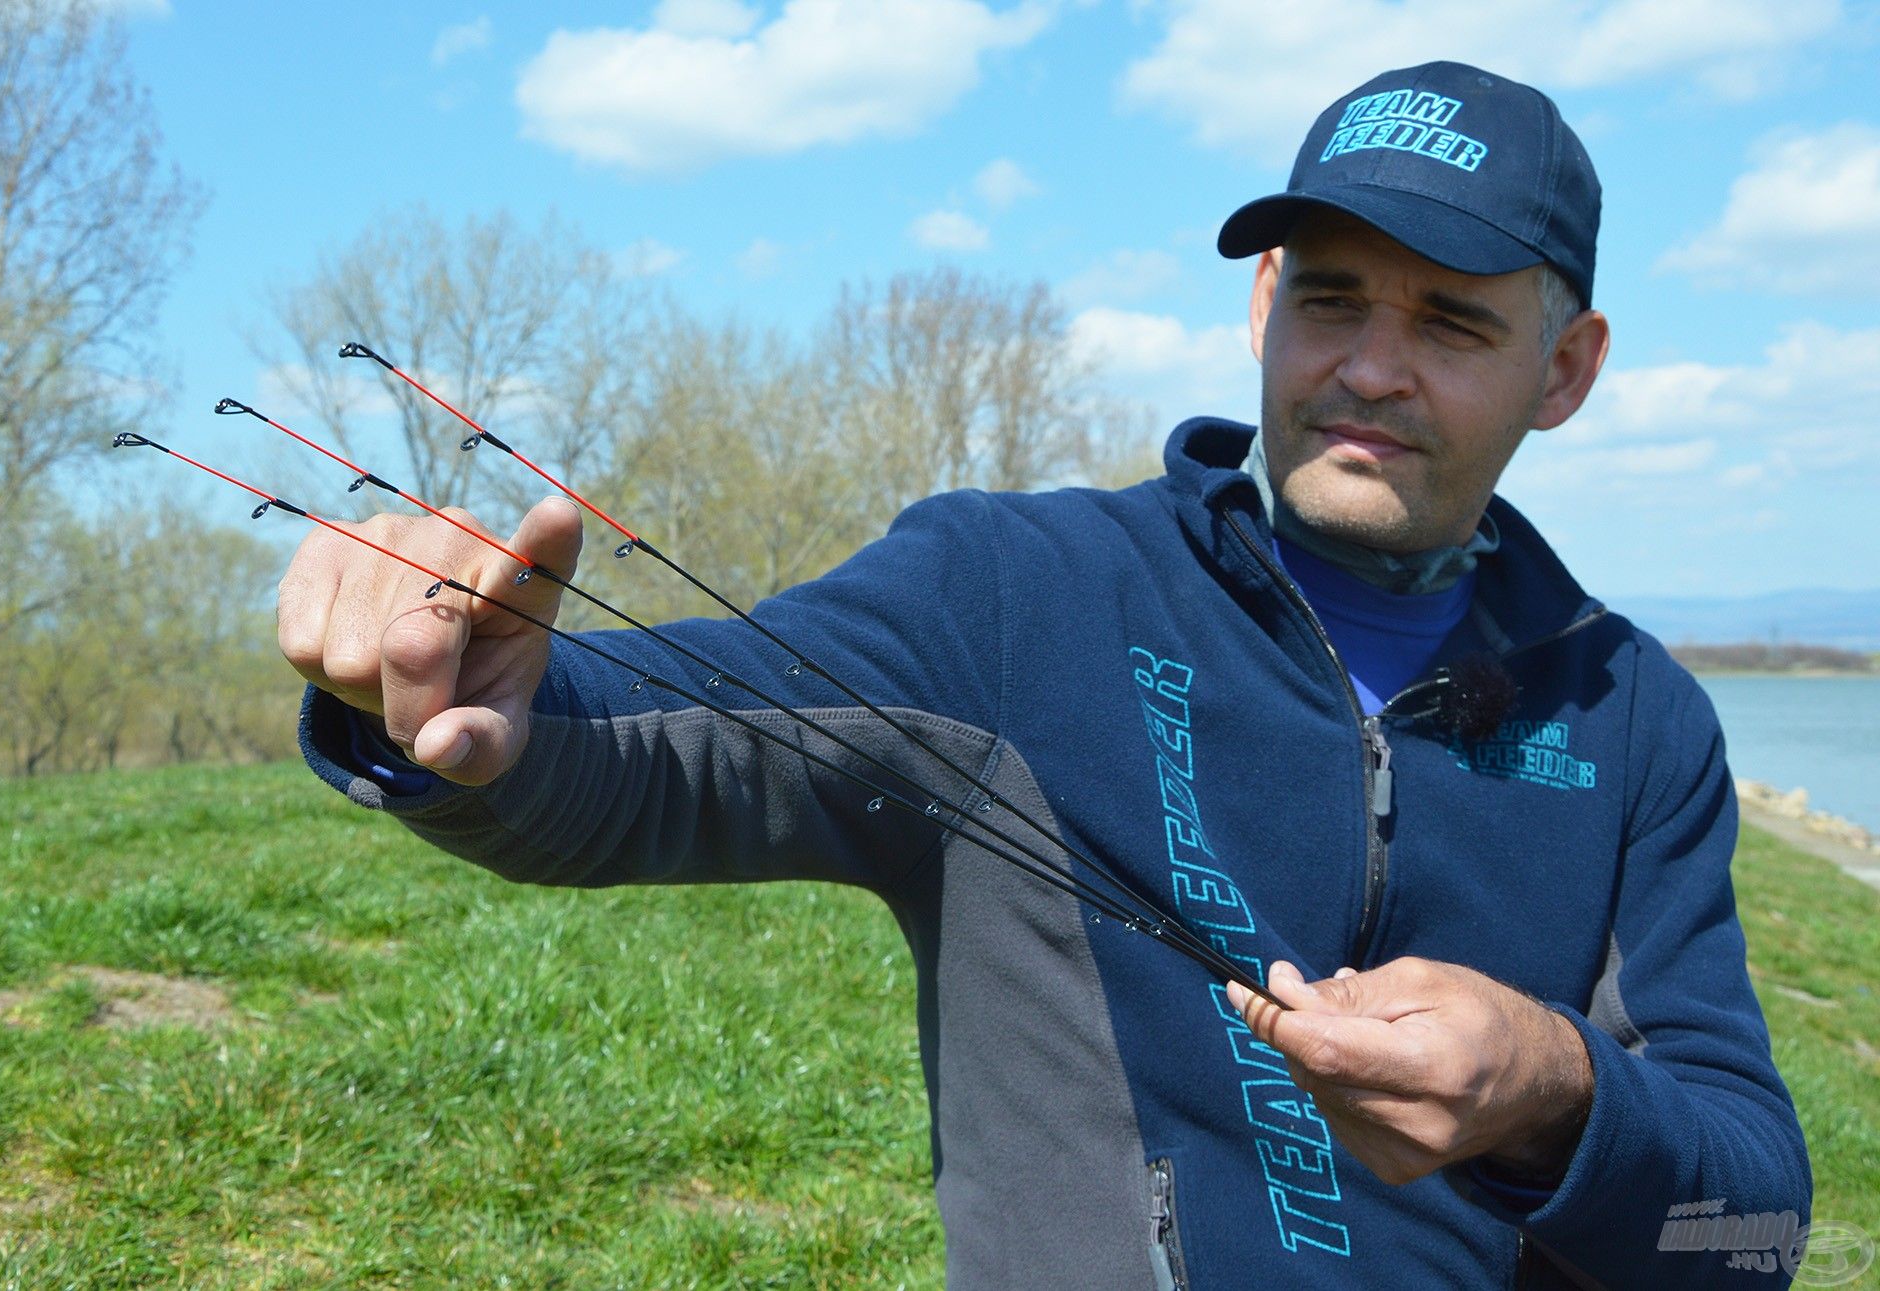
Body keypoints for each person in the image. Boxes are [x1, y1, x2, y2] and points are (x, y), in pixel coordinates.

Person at [279, 62, 1811, 1288]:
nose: (1370, 366)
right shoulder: (1014, 595)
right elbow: (660, 745)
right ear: (1265, 304)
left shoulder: (1632, 717)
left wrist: (1557, 1092)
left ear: (1568, 371)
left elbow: (1752, 1235)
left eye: (1453, 319)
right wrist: (471, 705)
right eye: (1333, 296)